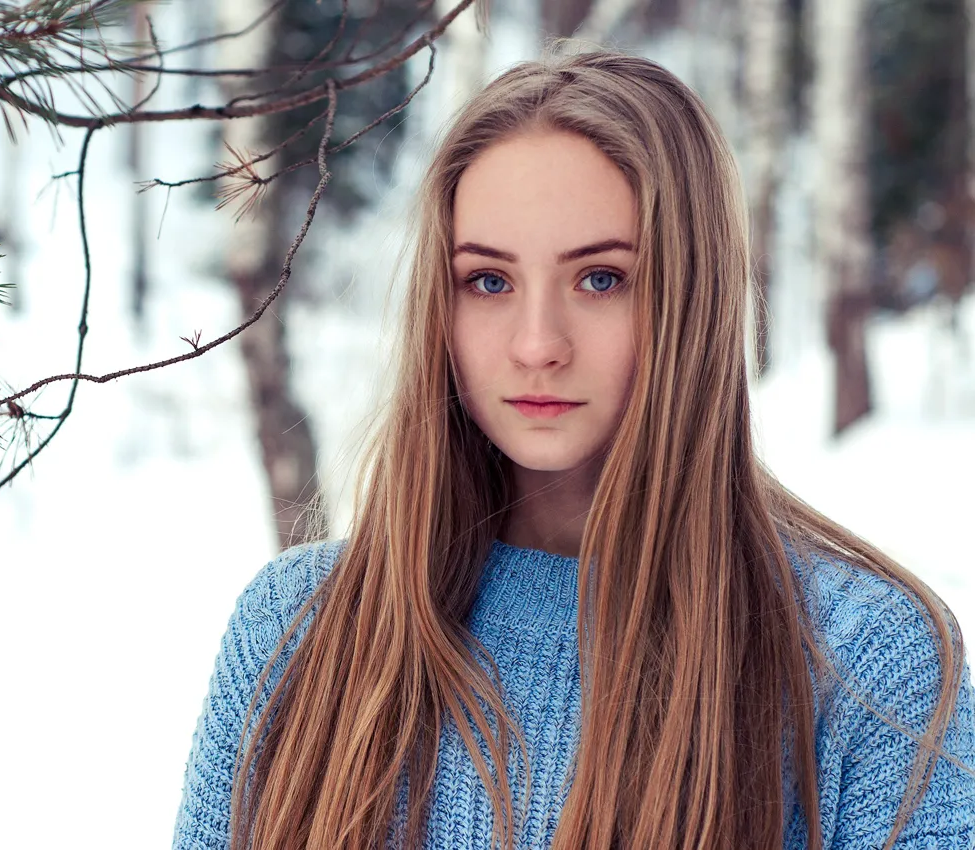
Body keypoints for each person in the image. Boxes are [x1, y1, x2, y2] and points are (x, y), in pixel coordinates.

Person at [170, 48, 975, 850]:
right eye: (489, 281)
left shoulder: (868, 666)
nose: (537, 344)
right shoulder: (299, 629)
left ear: (691, 294)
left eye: (601, 279)